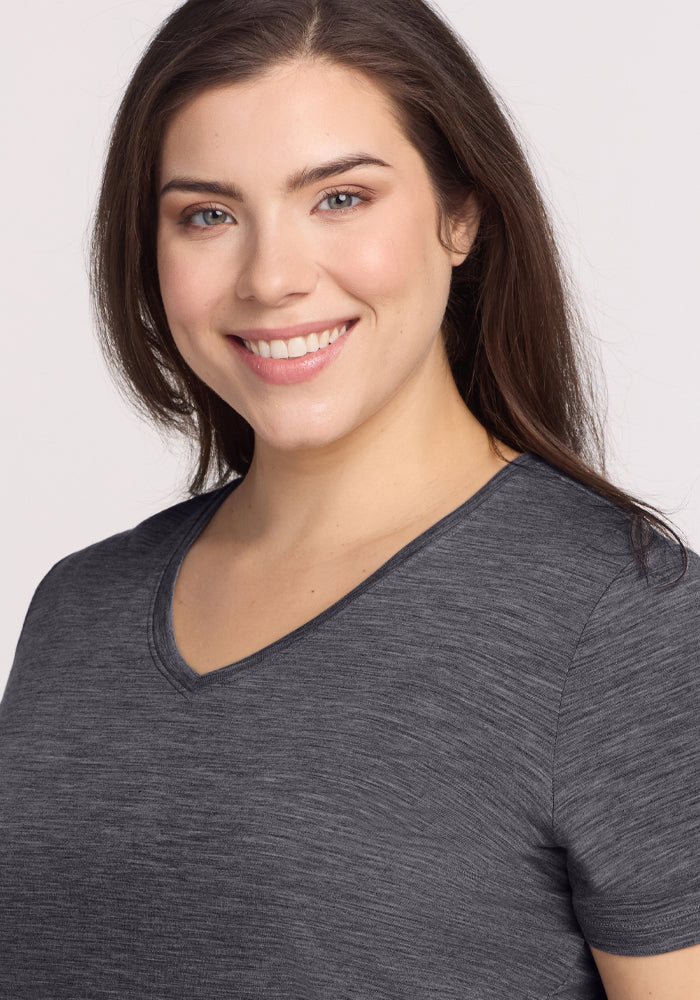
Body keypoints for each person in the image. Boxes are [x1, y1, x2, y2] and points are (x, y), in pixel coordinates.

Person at [0, 0, 698, 996]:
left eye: (339, 198)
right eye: (208, 214)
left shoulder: (623, 623)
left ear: (461, 214)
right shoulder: (80, 611)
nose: (273, 276)